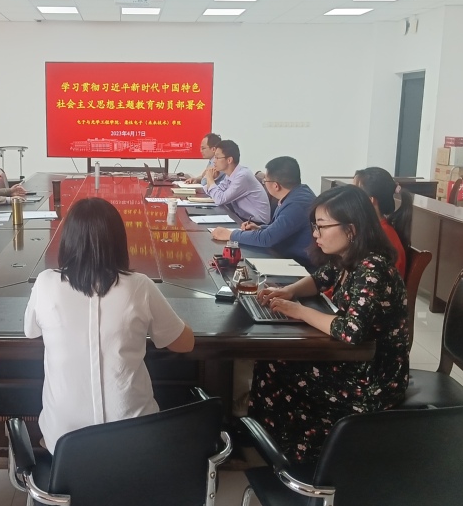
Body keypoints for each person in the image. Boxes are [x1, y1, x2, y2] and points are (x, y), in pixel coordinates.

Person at [249, 184, 409, 462]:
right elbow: (319, 279)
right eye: (315, 226)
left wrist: (298, 311)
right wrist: (289, 292)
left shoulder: (373, 268)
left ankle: (296, 453)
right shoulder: (349, 256)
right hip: (355, 359)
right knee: (273, 360)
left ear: (352, 228)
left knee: (277, 363)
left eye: (322, 227)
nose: (315, 234)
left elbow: (351, 330)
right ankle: (270, 443)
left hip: (374, 375)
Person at [24, 197, 195, 454]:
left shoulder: (45, 283)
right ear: (118, 241)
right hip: (134, 440)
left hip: (64, 443)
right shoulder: (139, 286)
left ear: (68, 240)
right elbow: (184, 343)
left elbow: (30, 331)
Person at [210, 156, 315, 266]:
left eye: (265, 181)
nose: (264, 183)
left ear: (276, 186)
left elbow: (267, 238)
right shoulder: (298, 194)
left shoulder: (297, 205)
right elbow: (282, 228)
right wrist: (260, 228)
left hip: (300, 264)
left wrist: (231, 235)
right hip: (284, 255)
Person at [353, 167, 412, 277]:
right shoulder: (372, 229)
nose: (350, 200)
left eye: (354, 194)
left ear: (370, 200)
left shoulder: (381, 237)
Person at [204, 139, 270, 225]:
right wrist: (212, 180)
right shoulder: (230, 174)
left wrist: (210, 179)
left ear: (229, 160)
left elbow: (220, 199)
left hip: (256, 224)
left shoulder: (243, 176)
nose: (214, 161)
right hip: (242, 218)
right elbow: (214, 194)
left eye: (217, 157)